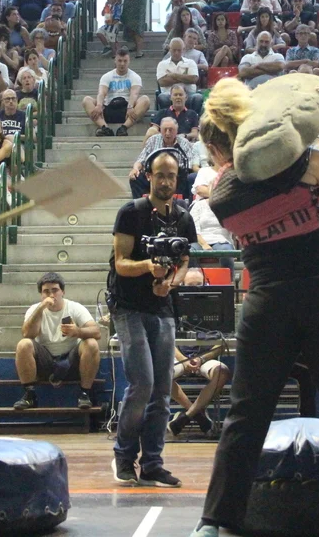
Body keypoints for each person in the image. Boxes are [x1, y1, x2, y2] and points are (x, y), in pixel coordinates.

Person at [189, 78, 319, 537]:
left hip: (268, 301)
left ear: (215, 150)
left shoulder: (221, 194)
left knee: (246, 414)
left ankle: (214, 522)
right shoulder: (298, 162)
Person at [109, 150, 195, 489]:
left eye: (171, 176)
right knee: (142, 384)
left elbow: (184, 260)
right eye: (160, 174)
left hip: (163, 308)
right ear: (149, 176)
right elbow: (120, 263)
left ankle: (153, 464)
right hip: (129, 306)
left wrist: (170, 283)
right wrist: (148, 267)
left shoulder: (184, 217)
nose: (166, 181)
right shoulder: (131, 212)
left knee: (161, 391)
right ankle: (124, 457)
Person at [14, 272, 101, 411]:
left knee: (91, 343)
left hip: (71, 360)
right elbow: (28, 334)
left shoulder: (75, 307)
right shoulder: (35, 309)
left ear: (63, 292)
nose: (51, 295)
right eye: (46, 291)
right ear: (41, 294)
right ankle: (30, 395)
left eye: (55, 290)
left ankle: (85, 393)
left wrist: (78, 331)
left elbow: (96, 332)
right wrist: (41, 308)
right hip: (45, 361)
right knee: (23, 344)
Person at [83, 48, 151, 137]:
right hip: (108, 108)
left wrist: (130, 106)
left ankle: (124, 128)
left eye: (125, 61)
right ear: (115, 60)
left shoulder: (135, 77)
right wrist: (99, 105)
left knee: (145, 100)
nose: (122, 64)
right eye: (119, 61)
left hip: (127, 111)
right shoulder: (107, 76)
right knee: (86, 100)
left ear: (129, 61)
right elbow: (101, 93)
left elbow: (134, 93)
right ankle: (105, 128)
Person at [129, 118, 194, 199]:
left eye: (171, 130)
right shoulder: (153, 140)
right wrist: (135, 169)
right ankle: (141, 204)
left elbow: (189, 165)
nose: (167, 133)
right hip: (154, 175)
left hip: (175, 176)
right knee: (135, 178)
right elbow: (141, 160)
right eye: (165, 130)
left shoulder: (184, 143)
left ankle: (178, 204)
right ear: (160, 130)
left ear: (177, 131)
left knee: (187, 178)